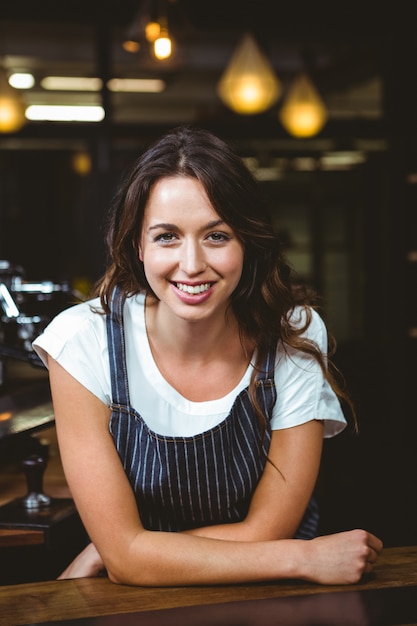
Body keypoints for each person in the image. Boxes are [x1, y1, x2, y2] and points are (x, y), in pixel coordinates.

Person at [33, 125, 382, 586]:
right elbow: (127, 557)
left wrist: (132, 552)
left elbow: (268, 530)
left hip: (269, 597)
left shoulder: (291, 334)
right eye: (166, 237)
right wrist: (305, 559)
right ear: (138, 245)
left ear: (247, 242)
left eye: (217, 236)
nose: (192, 264)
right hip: (157, 599)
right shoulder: (83, 340)